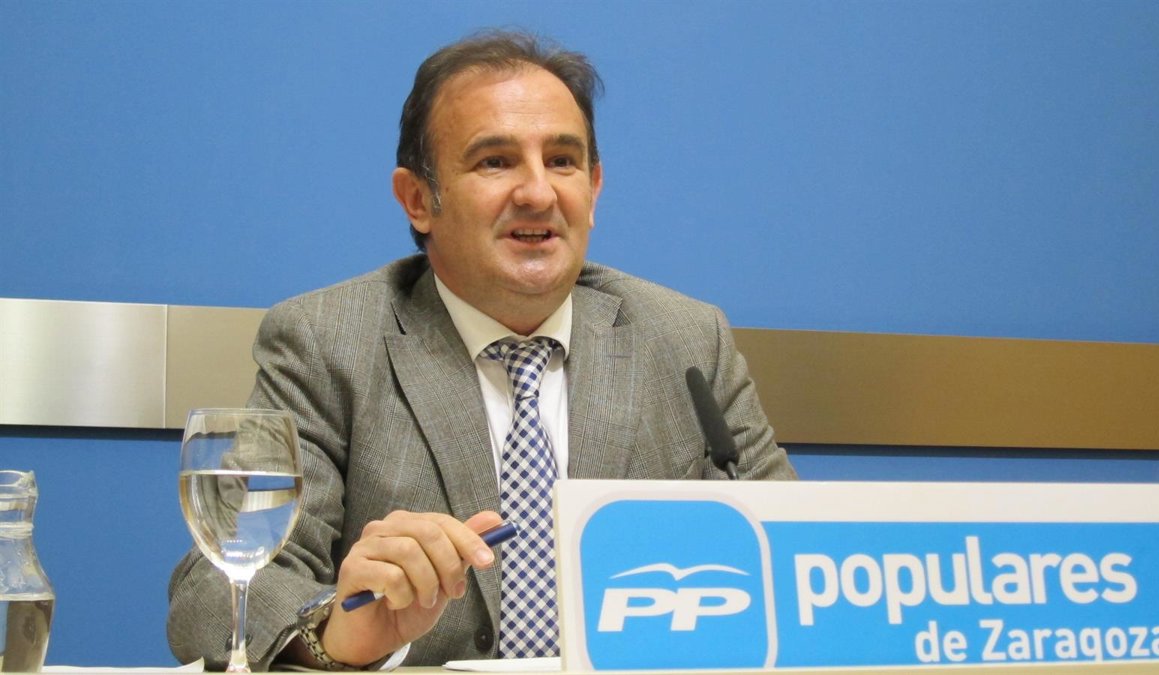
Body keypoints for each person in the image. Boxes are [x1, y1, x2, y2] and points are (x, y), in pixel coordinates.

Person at [167, 29, 796, 670]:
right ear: (418, 200)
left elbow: (800, 557)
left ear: (595, 187)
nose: (538, 193)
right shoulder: (327, 341)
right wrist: (336, 635)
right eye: (495, 162)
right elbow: (214, 592)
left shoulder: (684, 338)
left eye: (562, 160)